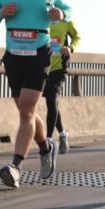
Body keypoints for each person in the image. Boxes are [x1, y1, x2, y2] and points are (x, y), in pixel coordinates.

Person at [0, 0, 71, 187]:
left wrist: (60, 13)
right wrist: (1, 13)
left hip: (39, 54)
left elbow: (68, 11)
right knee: (27, 112)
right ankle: (45, 147)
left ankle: (16, 166)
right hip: (13, 55)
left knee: (26, 108)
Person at [44, 14, 80, 154]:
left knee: (51, 99)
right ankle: (63, 134)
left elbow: (77, 37)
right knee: (52, 102)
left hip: (59, 67)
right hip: (43, 67)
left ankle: (47, 140)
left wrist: (70, 48)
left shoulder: (66, 21)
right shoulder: (41, 20)